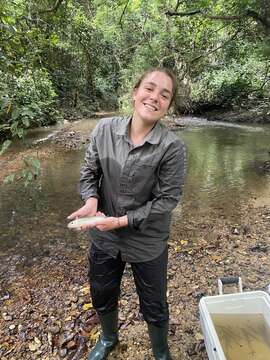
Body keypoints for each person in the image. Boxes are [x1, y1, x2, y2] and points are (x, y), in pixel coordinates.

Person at [68, 68, 187, 360]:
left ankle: (161, 352)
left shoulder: (172, 148)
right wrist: (91, 199)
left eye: (164, 94)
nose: (154, 97)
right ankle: (108, 338)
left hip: (147, 242)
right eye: (149, 88)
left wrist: (122, 221)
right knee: (102, 291)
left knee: (154, 303)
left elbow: (167, 200)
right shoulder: (103, 130)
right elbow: (89, 173)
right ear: (135, 93)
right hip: (103, 238)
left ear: (168, 106)